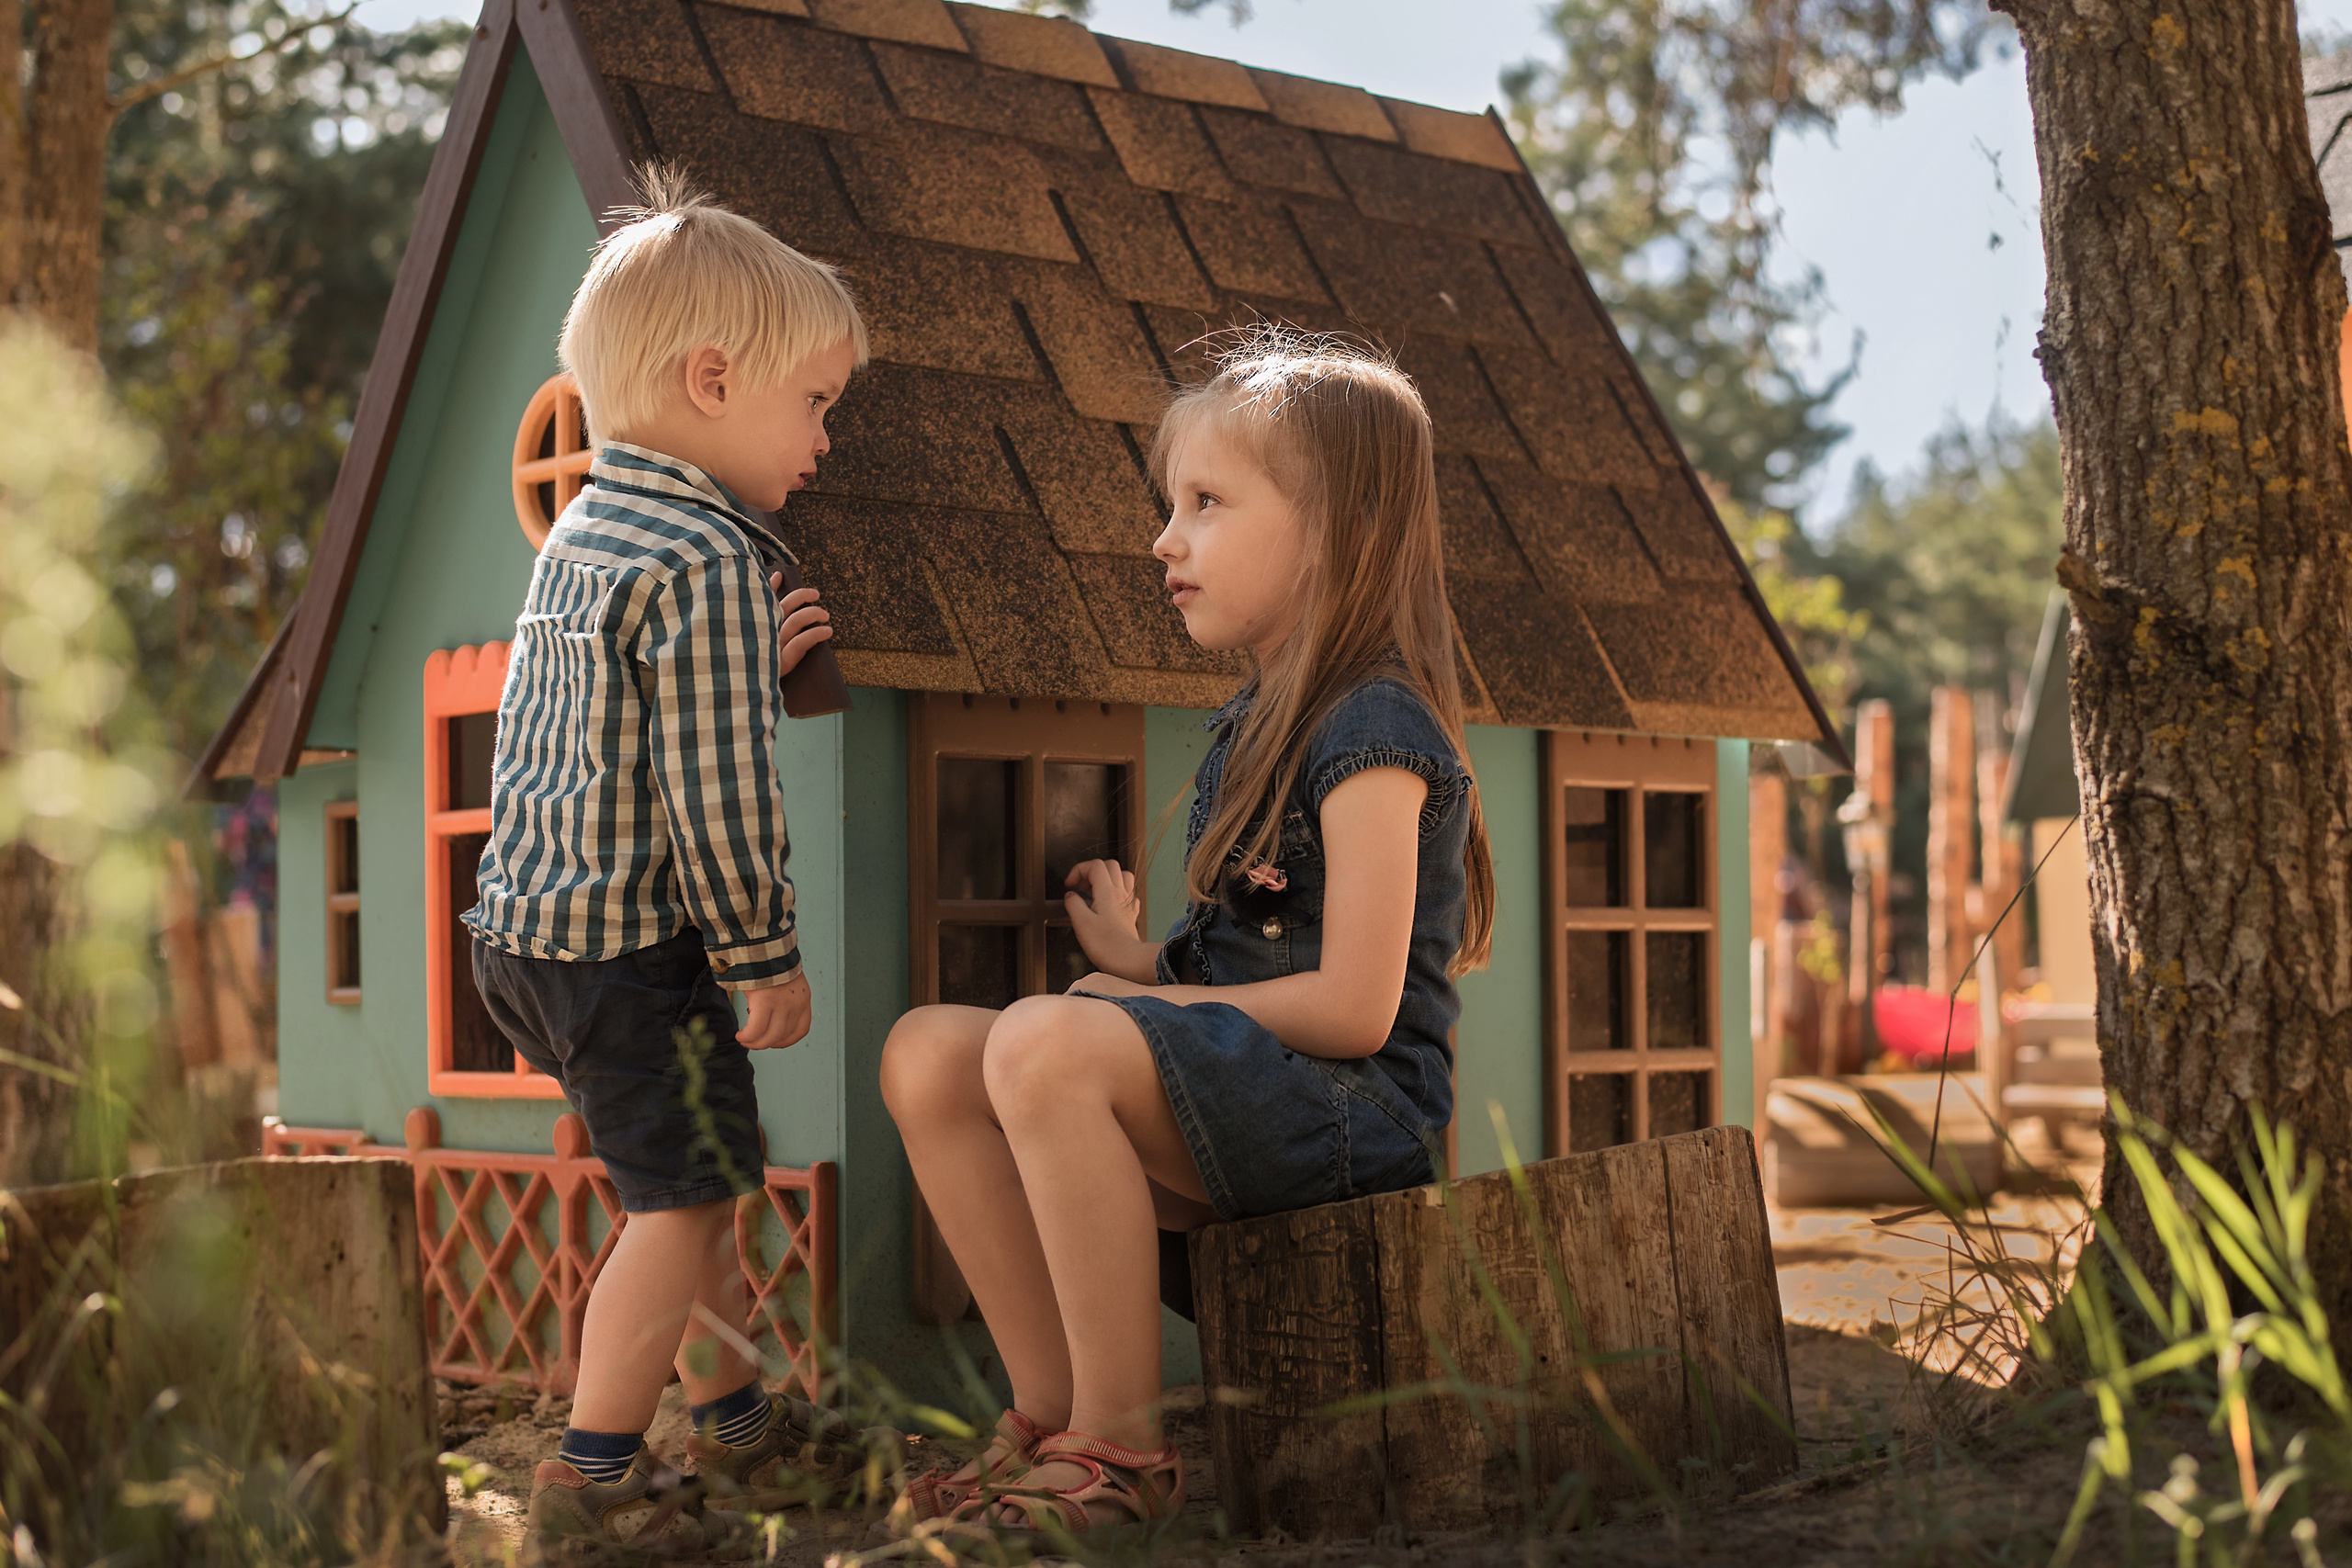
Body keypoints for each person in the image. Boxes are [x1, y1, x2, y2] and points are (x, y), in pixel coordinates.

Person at [879, 332, 1497, 1541]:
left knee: (1047, 1046)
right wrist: (1138, 964)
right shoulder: (1256, 720)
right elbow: (1253, 948)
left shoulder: (1375, 724)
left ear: (1332, 531)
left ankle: (1124, 1444)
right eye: (1176, 507)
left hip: (1352, 1119)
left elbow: (1354, 1006)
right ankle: (1049, 1414)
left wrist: (1135, 1012)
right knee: (929, 1054)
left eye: (1207, 503)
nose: (1167, 540)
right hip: (1260, 1087)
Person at [464, 167, 869, 1558]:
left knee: (685, 1190)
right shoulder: (704, 557)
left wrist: (739, 663)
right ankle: (590, 1474)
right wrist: (766, 955)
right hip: (629, 955)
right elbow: (712, 793)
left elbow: (597, 723)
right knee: (685, 1203)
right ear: (712, 379)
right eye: (814, 403)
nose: (825, 437)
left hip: (520, 933)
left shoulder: (587, 524)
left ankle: (745, 1422)